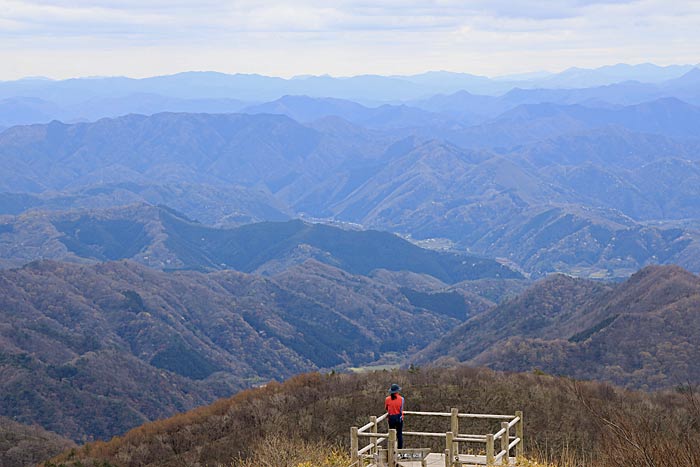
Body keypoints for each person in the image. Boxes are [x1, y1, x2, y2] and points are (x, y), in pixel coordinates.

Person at [385, 383, 404, 449]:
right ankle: (400, 450)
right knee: (399, 434)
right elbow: (401, 409)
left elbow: (386, 408)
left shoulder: (387, 399)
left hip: (391, 418)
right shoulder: (401, 399)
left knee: (391, 435)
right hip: (399, 418)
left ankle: (391, 449)